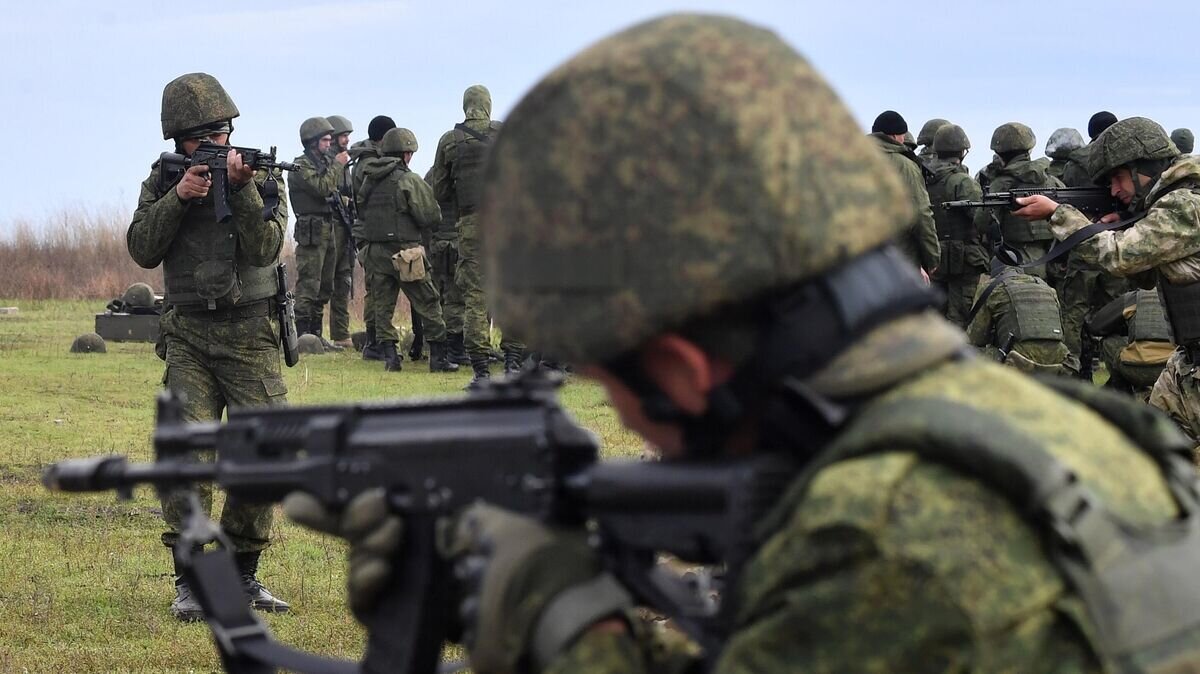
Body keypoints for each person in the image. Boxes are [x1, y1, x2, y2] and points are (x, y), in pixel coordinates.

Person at [286, 16, 1198, 672]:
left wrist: (548, 610)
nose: (641, 436)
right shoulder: (1090, 439)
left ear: (685, 372)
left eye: (626, 393)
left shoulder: (875, 542)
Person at [127, 72, 289, 621]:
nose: (217, 144)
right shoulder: (163, 180)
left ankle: (243, 573)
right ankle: (191, 579)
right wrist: (178, 198)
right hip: (189, 334)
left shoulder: (263, 177)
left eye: (222, 132)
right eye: (203, 137)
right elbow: (143, 250)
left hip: (251, 334)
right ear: (179, 141)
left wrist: (240, 190)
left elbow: (267, 248)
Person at [1016, 116, 1200, 451]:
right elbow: (1144, 274)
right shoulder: (1174, 203)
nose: (1114, 190)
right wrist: (1119, 227)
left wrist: (1058, 214)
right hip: (1188, 363)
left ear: (1145, 167)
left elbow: (1121, 257)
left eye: (1117, 178)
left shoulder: (1183, 204)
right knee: (1153, 455)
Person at [431, 85, 526, 388]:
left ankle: (481, 371)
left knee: (475, 297)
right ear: (488, 105)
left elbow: (440, 190)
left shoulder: (450, 141)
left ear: (465, 107)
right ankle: (513, 364)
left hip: (471, 224)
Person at [356, 127, 458, 373]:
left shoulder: (369, 179)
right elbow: (430, 215)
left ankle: (391, 359)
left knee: (382, 307)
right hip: (406, 253)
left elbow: (361, 211)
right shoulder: (409, 180)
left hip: (376, 252)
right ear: (405, 154)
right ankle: (439, 359)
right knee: (429, 302)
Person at [973, 122, 1063, 280]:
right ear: (1029, 149)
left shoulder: (1000, 184)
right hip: (1050, 260)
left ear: (998, 153)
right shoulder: (1052, 181)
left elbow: (981, 223)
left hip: (1012, 261)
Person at [288, 116, 349, 351]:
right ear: (312, 141)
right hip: (311, 230)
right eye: (324, 139)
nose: (328, 143)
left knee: (325, 285)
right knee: (309, 285)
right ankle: (302, 337)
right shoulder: (301, 165)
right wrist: (337, 165)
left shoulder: (324, 162)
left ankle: (316, 335)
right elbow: (322, 187)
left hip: (328, 227)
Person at [867, 110, 940, 276]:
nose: (903, 140)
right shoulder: (905, 166)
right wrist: (932, 257)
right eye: (902, 136)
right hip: (898, 258)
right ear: (893, 136)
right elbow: (921, 212)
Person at [349, 115, 397, 362]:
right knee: (376, 288)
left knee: (377, 288)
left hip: (369, 231)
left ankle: (375, 341)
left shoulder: (366, 160)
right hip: (370, 233)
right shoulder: (370, 164)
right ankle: (374, 343)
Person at [925, 124, 985, 326]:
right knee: (961, 319)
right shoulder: (962, 181)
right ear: (962, 151)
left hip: (934, 259)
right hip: (964, 263)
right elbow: (982, 219)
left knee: (934, 319)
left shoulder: (925, 178)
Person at [965, 260, 1068, 374]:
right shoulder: (1047, 288)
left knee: (967, 351)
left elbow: (976, 338)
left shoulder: (991, 287)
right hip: (1057, 360)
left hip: (1018, 359)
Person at [1088, 289, 1174, 400]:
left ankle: (1124, 394)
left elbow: (1096, 326)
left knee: (1109, 341)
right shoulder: (1185, 297)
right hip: (1171, 370)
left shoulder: (1134, 297)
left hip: (1134, 369)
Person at [424, 165, 469, 365]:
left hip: (438, 243)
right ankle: (456, 347)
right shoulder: (468, 172)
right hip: (458, 242)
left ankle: (439, 343)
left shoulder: (434, 174)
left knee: (438, 297)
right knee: (456, 299)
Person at [325, 114, 356, 350]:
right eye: (343, 136)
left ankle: (341, 333)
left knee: (343, 280)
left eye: (347, 136)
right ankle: (311, 334)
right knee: (325, 280)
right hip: (330, 225)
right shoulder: (326, 161)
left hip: (346, 225)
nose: (346, 140)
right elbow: (324, 188)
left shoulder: (346, 163)